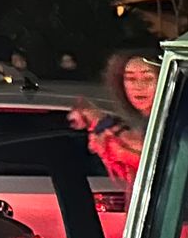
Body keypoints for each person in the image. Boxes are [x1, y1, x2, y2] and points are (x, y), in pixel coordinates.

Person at [68, 46, 160, 192]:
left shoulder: (170, 122)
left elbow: (156, 161)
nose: (138, 86)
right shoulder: (139, 123)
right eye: (130, 78)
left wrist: (115, 144)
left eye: (148, 78)